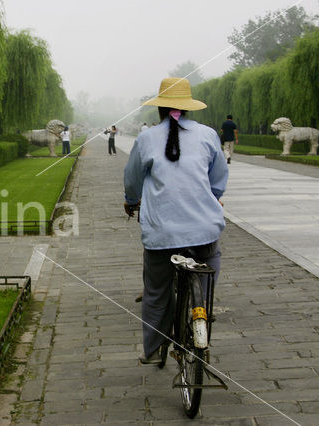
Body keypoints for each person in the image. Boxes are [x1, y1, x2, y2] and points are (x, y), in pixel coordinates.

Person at [123, 77, 228, 364]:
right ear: (188, 108)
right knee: (208, 267)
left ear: (160, 109)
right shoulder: (208, 135)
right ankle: (202, 309)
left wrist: (131, 201)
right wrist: (211, 196)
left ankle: (155, 348)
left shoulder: (146, 138)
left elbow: (132, 180)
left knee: (157, 290)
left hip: (162, 233)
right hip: (205, 228)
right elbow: (218, 181)